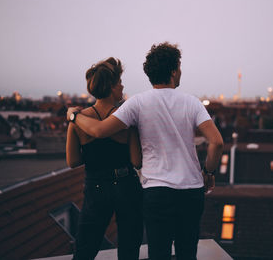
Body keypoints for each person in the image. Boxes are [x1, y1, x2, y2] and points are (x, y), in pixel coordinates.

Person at [67, 42, 223, 260]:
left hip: (155, 192)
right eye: (179, 67)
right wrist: (209, 173)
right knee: (186, 253)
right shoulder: (192, 103)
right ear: (173, 71)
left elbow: (99, 132)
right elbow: (216, 142)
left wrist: (73, 117)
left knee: (158, 253)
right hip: (190, 190)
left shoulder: (137, 103)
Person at [66, 57, 143, 260]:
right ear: (111, 86)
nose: (122, 86)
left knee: (85, 247)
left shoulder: (78, 119)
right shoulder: (126, 118)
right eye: (119, 82)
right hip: (126, 184)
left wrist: (94, 154)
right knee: (129, 248)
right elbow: (136, 161)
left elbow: (72, 161)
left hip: (95, 186)